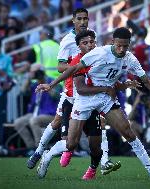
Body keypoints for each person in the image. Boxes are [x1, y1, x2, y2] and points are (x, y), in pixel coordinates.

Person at [35, 27, 150, 178]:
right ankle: (47, 155)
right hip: (85, 99)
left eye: (125, 46)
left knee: (127, 131)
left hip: (106, 98)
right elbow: (73, 69)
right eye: (119, 45)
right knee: (71, 143)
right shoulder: (99, 52)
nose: (121, 49)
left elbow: (145, 79)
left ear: (129, 44)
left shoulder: (130, 58)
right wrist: (51, 85)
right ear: (113, 42)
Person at [27, 8, 121, 175]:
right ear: (73, 20)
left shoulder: (92, 36)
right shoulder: (67, 41)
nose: (83, 22)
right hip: (71, 92)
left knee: (100, 122)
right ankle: (39, 151)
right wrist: (79, 67)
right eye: (80, 19)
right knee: (57, 124)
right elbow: (60, 66)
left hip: (90, 92)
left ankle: (104, 160)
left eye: (86, 18)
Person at [13, 64, 60, 154]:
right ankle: (31, 148)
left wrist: (47, 87)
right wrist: (28, 79)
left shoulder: (53, 81)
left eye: (35, 72)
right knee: (18, 122)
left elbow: (57, 96)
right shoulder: (34, 84)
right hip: (36, 113)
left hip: (50, 114)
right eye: (31, 72)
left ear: (42, 71)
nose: (33, 74)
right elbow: (23, 92)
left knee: (34, 121)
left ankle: (39, 149)